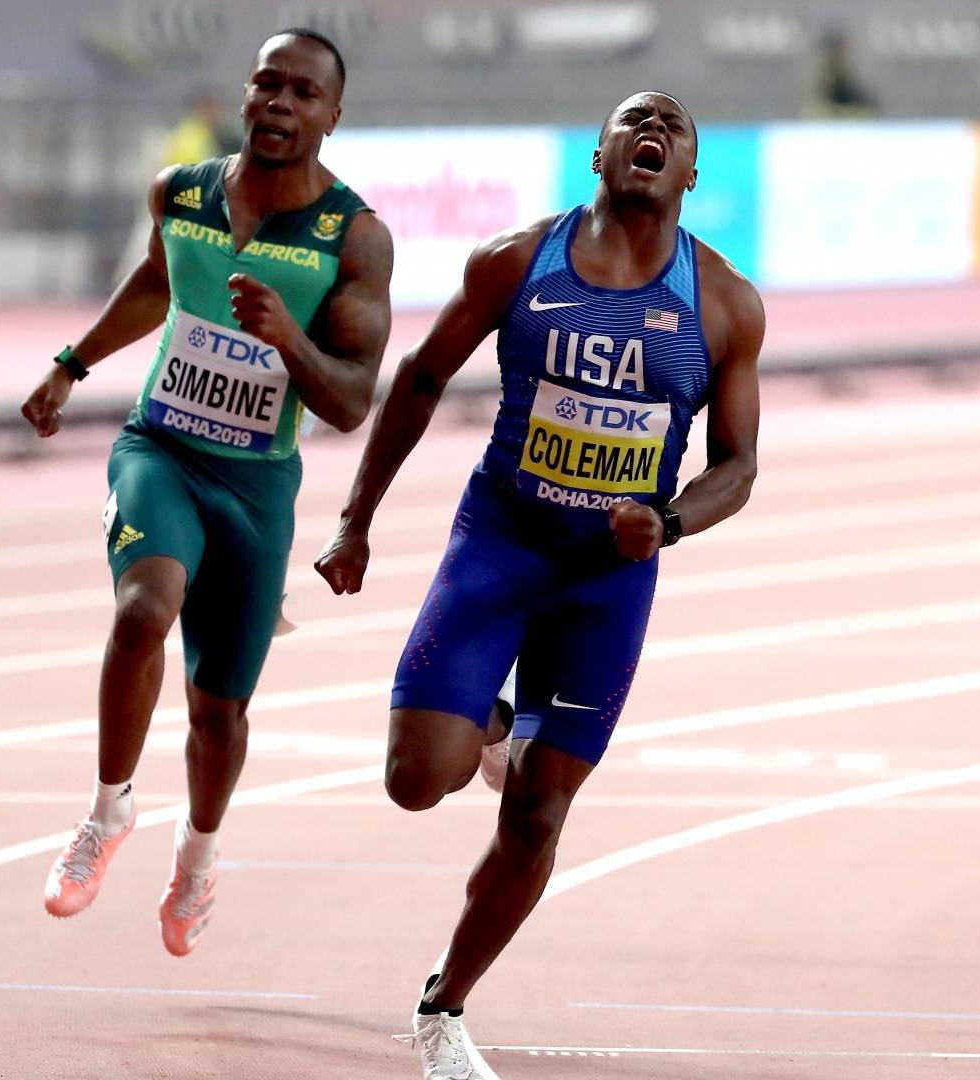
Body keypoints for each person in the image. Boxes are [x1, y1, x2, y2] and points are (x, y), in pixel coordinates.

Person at [316, 91, 764, 1078]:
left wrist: (673, 520)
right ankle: (490, 720)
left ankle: (444, 1008)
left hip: (607, 583)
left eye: (671, 129)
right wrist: (356, 518)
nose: (650, 132)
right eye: (631, 121)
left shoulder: (724, 304)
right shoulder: (517, 261)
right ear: (597, 152)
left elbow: (739, 464)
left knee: (538, 817)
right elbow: (423, 379)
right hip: (500, 547)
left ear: (690, 172)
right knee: (412, 782)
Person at [20, 28, 393, 957]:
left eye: (303, 93)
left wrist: (287, 341)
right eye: (267, 84)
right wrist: (73, 364)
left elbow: (350, 402)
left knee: (218, 708)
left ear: (332, 117)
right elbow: (157, 281)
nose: (279, 103)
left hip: (258, 485)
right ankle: (108, 814)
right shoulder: (181, 193)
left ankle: (197, 855)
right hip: (161, 448)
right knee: (144, 608)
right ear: (246, 94)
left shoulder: (353, 237)